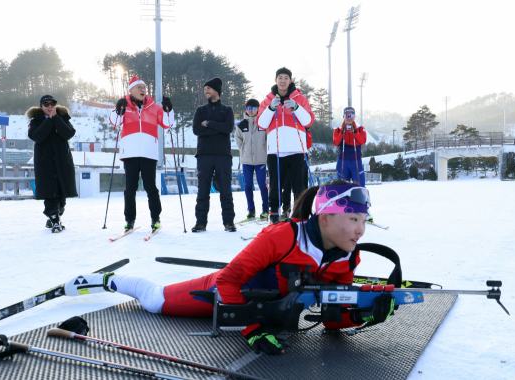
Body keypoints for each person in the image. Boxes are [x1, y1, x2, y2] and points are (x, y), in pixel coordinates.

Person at [63, 179, 395, 356]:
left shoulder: (347, 257)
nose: (360, 230)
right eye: (353, 219)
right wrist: (251, 330)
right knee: (154, 300)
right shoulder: (283, 236)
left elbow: (331, 321)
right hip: (223, 293)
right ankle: (111, 281)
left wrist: (365, 315)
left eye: (364, 221)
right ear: (325, 217)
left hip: (266, 309)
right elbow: (229, 279)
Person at [108, 76, 174, 233]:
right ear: (130, 90)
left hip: (148, 153)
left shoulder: (155, 107)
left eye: (144, 87)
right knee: (130, 188)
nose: (143, 89)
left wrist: (169, 110)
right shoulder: (124, 105)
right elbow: (115, 122)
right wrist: (118, 109)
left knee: (151, 187)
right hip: (130, 153)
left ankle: (155, 219)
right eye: (139, 87)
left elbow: (168, 123)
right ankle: (129, 220)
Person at [256, 67, 315, 224]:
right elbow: (261, 124)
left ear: (290, 81)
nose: (283, 80)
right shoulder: (267, 100)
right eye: (280, 77)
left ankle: (301, 215)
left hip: (297, 150)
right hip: (276, 151)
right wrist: (271, 108)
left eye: (286, 78)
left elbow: (308, 120)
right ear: (276, 80)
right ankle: (274, 214)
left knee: (300, 186)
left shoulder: (300, 99)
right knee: (275, 185)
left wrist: (295, 107)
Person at [27, 95, 78, 232]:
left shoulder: (63, 117)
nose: (50, 106)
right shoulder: (36, 120)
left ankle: (56, 215)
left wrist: (56, 119)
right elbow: (37, 136)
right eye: (46, 104)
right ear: (41, 107)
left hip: (63, 161)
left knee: (62, 191)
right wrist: (49, 121)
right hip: (45, 162)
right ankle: (54, 218)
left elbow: (68, 133)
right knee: (50, 191)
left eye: (52, 104)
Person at [191, 77, 236, 232]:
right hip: (204, 155)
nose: (206, 92)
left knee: (225, 190)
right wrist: (219, 127)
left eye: (208, 89)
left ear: (216, 90)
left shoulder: (227, 110)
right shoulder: (200, 110)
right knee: (203, 190)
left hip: (223, 155)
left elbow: (229, 127)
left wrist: (209, 124)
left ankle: (229, 222)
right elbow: (197, 129)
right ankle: (200, 223)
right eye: (204, 89)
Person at [234, 99, 268, 221]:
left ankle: (265, 210)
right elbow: (238, 141)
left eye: (253, 108)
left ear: (258, 109)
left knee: (262, 184)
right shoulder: (241, 125)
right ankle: (251, 210)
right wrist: (244, 151)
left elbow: (267, 139)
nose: (251, 111)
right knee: (248, 185)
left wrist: (264, 150)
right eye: (248, 108)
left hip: (261, 160)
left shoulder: (263, 123)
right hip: (246, 161)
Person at [281, 124, 313, 220]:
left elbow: (308, 144)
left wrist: (307, 130)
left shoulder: (303, 124)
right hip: (286, 154)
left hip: (300, 155)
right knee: (286, 184)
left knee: (300, 185)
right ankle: (286, 209)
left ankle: (299, 209)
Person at [333, 107, 367, 186]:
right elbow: (336, 143)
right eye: (347, 115)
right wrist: (342, 132)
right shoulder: (337, 130)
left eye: (351, 115)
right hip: (343, 162)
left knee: (360, 187)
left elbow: (362, 141)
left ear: (354, 117)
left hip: (356, 163)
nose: (349, 118)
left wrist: (355, 131)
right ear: (343, 116)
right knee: (342, 189)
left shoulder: (360, 129)